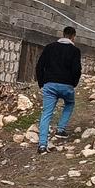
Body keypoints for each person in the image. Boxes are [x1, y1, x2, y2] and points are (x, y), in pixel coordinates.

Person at [35, 26, 82, 154]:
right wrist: (73, 84)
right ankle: (61, 129)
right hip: (66, 85)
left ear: (63, 34)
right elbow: (77, 70)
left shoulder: (49, 47)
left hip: (50, 85)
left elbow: (39, 66)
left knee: (46, 113)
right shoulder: (75, 51)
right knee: (70, 103)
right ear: (73, 36)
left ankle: (42, 145)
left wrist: (42, 83)